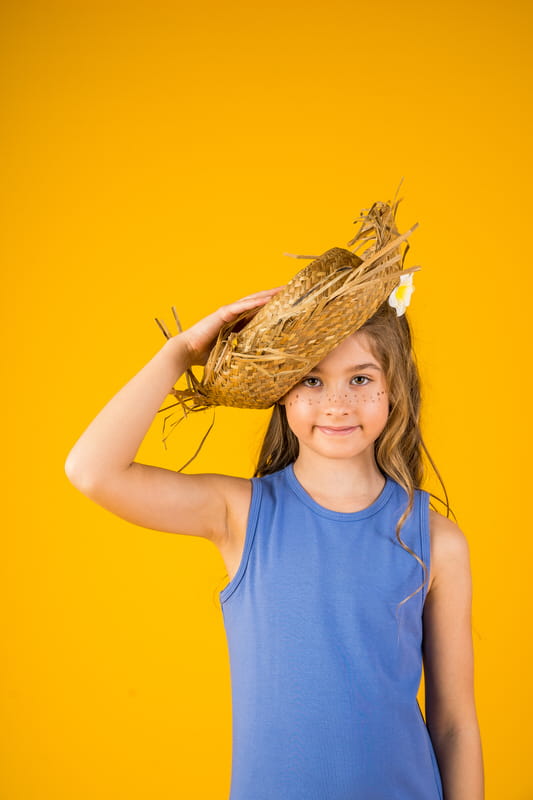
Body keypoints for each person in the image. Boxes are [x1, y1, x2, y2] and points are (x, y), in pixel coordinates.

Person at [64, 226, 484, 800]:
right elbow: (92, 470)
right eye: (312, 379)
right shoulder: (240, 514)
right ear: (283, 393)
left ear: (395, 388)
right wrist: (179, 353)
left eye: (361, 379)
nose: (337, 403)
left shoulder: (437, 541)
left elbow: (455, 725)